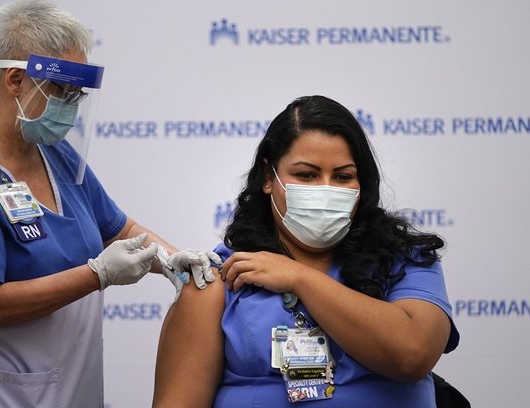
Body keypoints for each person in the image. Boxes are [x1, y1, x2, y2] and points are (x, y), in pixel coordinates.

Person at [0, 1, 218, 407]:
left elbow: (119, 229)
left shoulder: (51, 152)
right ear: (16, 79)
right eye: (63, 91)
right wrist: (97, 274)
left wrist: (171, 259)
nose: (71, 105)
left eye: (78, 93)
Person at [152, 95, 460, 408]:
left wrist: (300, 279)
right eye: (306, 175)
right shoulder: (222, 276)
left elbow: (412, 354)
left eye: (342, 177)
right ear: (269, 177)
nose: (325, 189)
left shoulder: (405, 259)